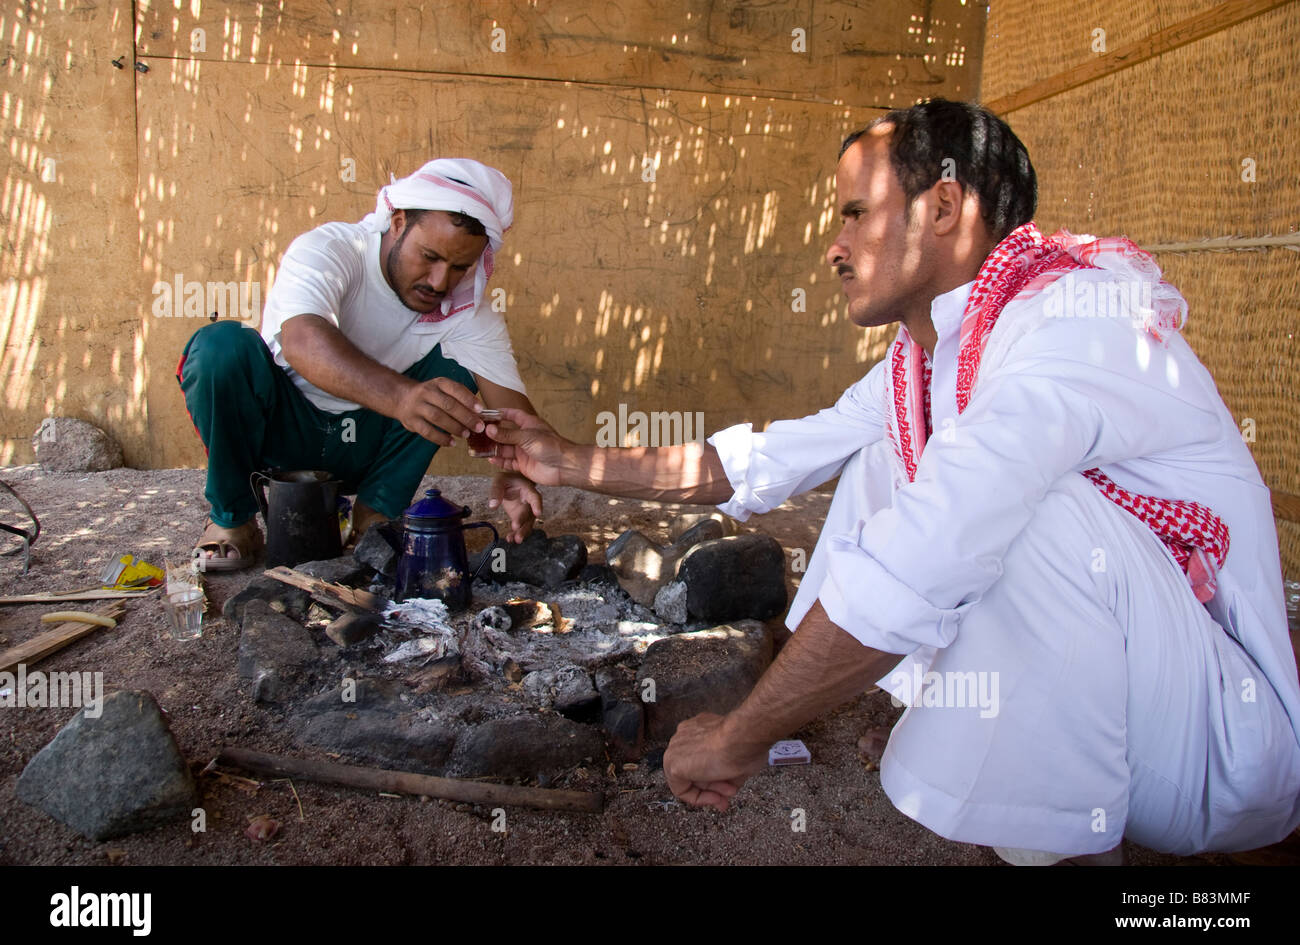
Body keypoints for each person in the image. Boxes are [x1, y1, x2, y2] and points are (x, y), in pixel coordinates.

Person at [483, 99, 1300, 863]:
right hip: (1135, 715)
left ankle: (1063, 845)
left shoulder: (1078, 321)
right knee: (886, 454)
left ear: (943, 208)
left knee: (1006, 509)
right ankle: (934, 716)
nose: (834, 247)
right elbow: (765, 461)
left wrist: (737, 735)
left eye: (853, 214)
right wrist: (562, 460)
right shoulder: (924, 365)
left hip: (1212, 745)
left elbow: (935, 544)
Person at [176, 158, 542, 569]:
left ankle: (376, 514)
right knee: (219, 348)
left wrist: (520, 469)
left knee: (457, 369)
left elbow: (514, 416)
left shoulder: (466, 311)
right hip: (281, 436)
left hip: (366, 448)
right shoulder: (332, 250)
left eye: (460, 267)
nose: (440, 282)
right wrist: (402, 397)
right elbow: (301, 340)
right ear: (398, 222)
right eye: (429, 256)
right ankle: (233, 519)